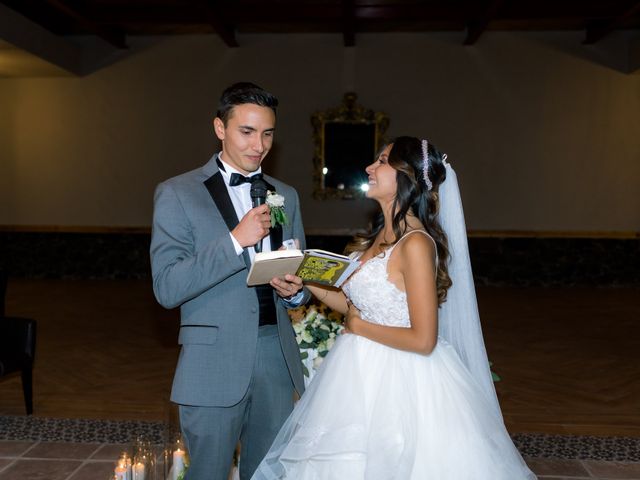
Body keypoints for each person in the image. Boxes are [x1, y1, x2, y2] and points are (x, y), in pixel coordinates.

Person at [252, 136, 536, 479]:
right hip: (356, 372)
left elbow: (423, 339)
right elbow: (353, 305)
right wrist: (305, 278)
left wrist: (359, 329)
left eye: (382, 161)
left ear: (407, 176)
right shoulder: (377, 238)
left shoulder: (415, 244)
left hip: (404, 379)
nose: (370, 168)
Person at [150, 82, 309, 480]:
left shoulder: (285, 195)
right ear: (220, 128)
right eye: (247, 131)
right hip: (213, 360)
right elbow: (167, 287)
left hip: (276, 357)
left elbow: (295, 265)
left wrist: (296, 291)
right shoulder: (177, 193)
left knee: (268, 474)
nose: (259, 145)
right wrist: (236, 240)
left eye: (268, 133)